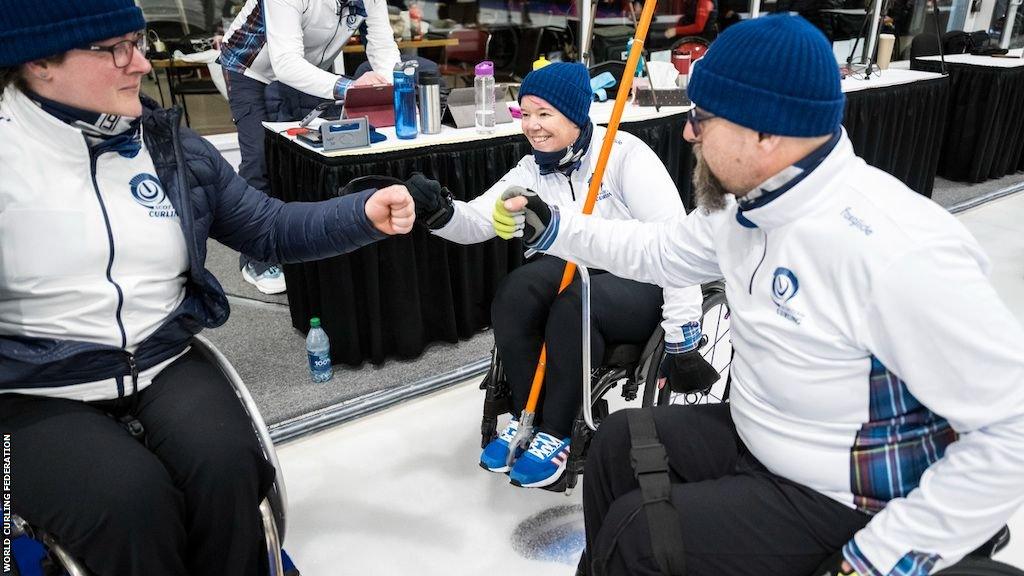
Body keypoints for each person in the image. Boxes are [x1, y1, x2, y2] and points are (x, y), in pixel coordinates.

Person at [497, 15, 1024, 576]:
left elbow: (1010, 429)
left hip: (850, 496)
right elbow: (660, 249)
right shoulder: (747, 205)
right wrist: (553, 224)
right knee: (618, 445)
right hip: (763, 439)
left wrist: (874, 561)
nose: (687, 134)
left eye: (701, 118)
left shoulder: (896, 249)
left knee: (641, 535)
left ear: (765, 133)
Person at [0, 2, 414, 575]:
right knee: (127, 502)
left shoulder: (168, 146)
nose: (141, 63)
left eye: (137, 41)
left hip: (163, 357)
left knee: (229, 465)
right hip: (32, 390)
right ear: (40, 63)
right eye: (114, 49)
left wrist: (363, 213)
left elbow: (266, 227)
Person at [405, 62, 716, 490]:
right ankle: (524, 416)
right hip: (578, 270)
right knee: (516, 291)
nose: (532, 126)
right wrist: (439, 212)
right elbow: (478, 220)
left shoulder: (624, 155)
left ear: (574, 115)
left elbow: (675, 249)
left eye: (544, 114)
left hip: (639, 281)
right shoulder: (531, 171)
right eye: (525, 114)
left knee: (574, 303)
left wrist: (682, 337)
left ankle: (560, 433)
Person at [220, 0, 402, 294]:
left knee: (310, 152)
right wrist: (351, 87)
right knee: (260, 158)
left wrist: (396, 88)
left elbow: (382, 47)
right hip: (250, 68)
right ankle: (255, 258)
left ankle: (301, 240)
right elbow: (285, 64)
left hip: (310, 67)